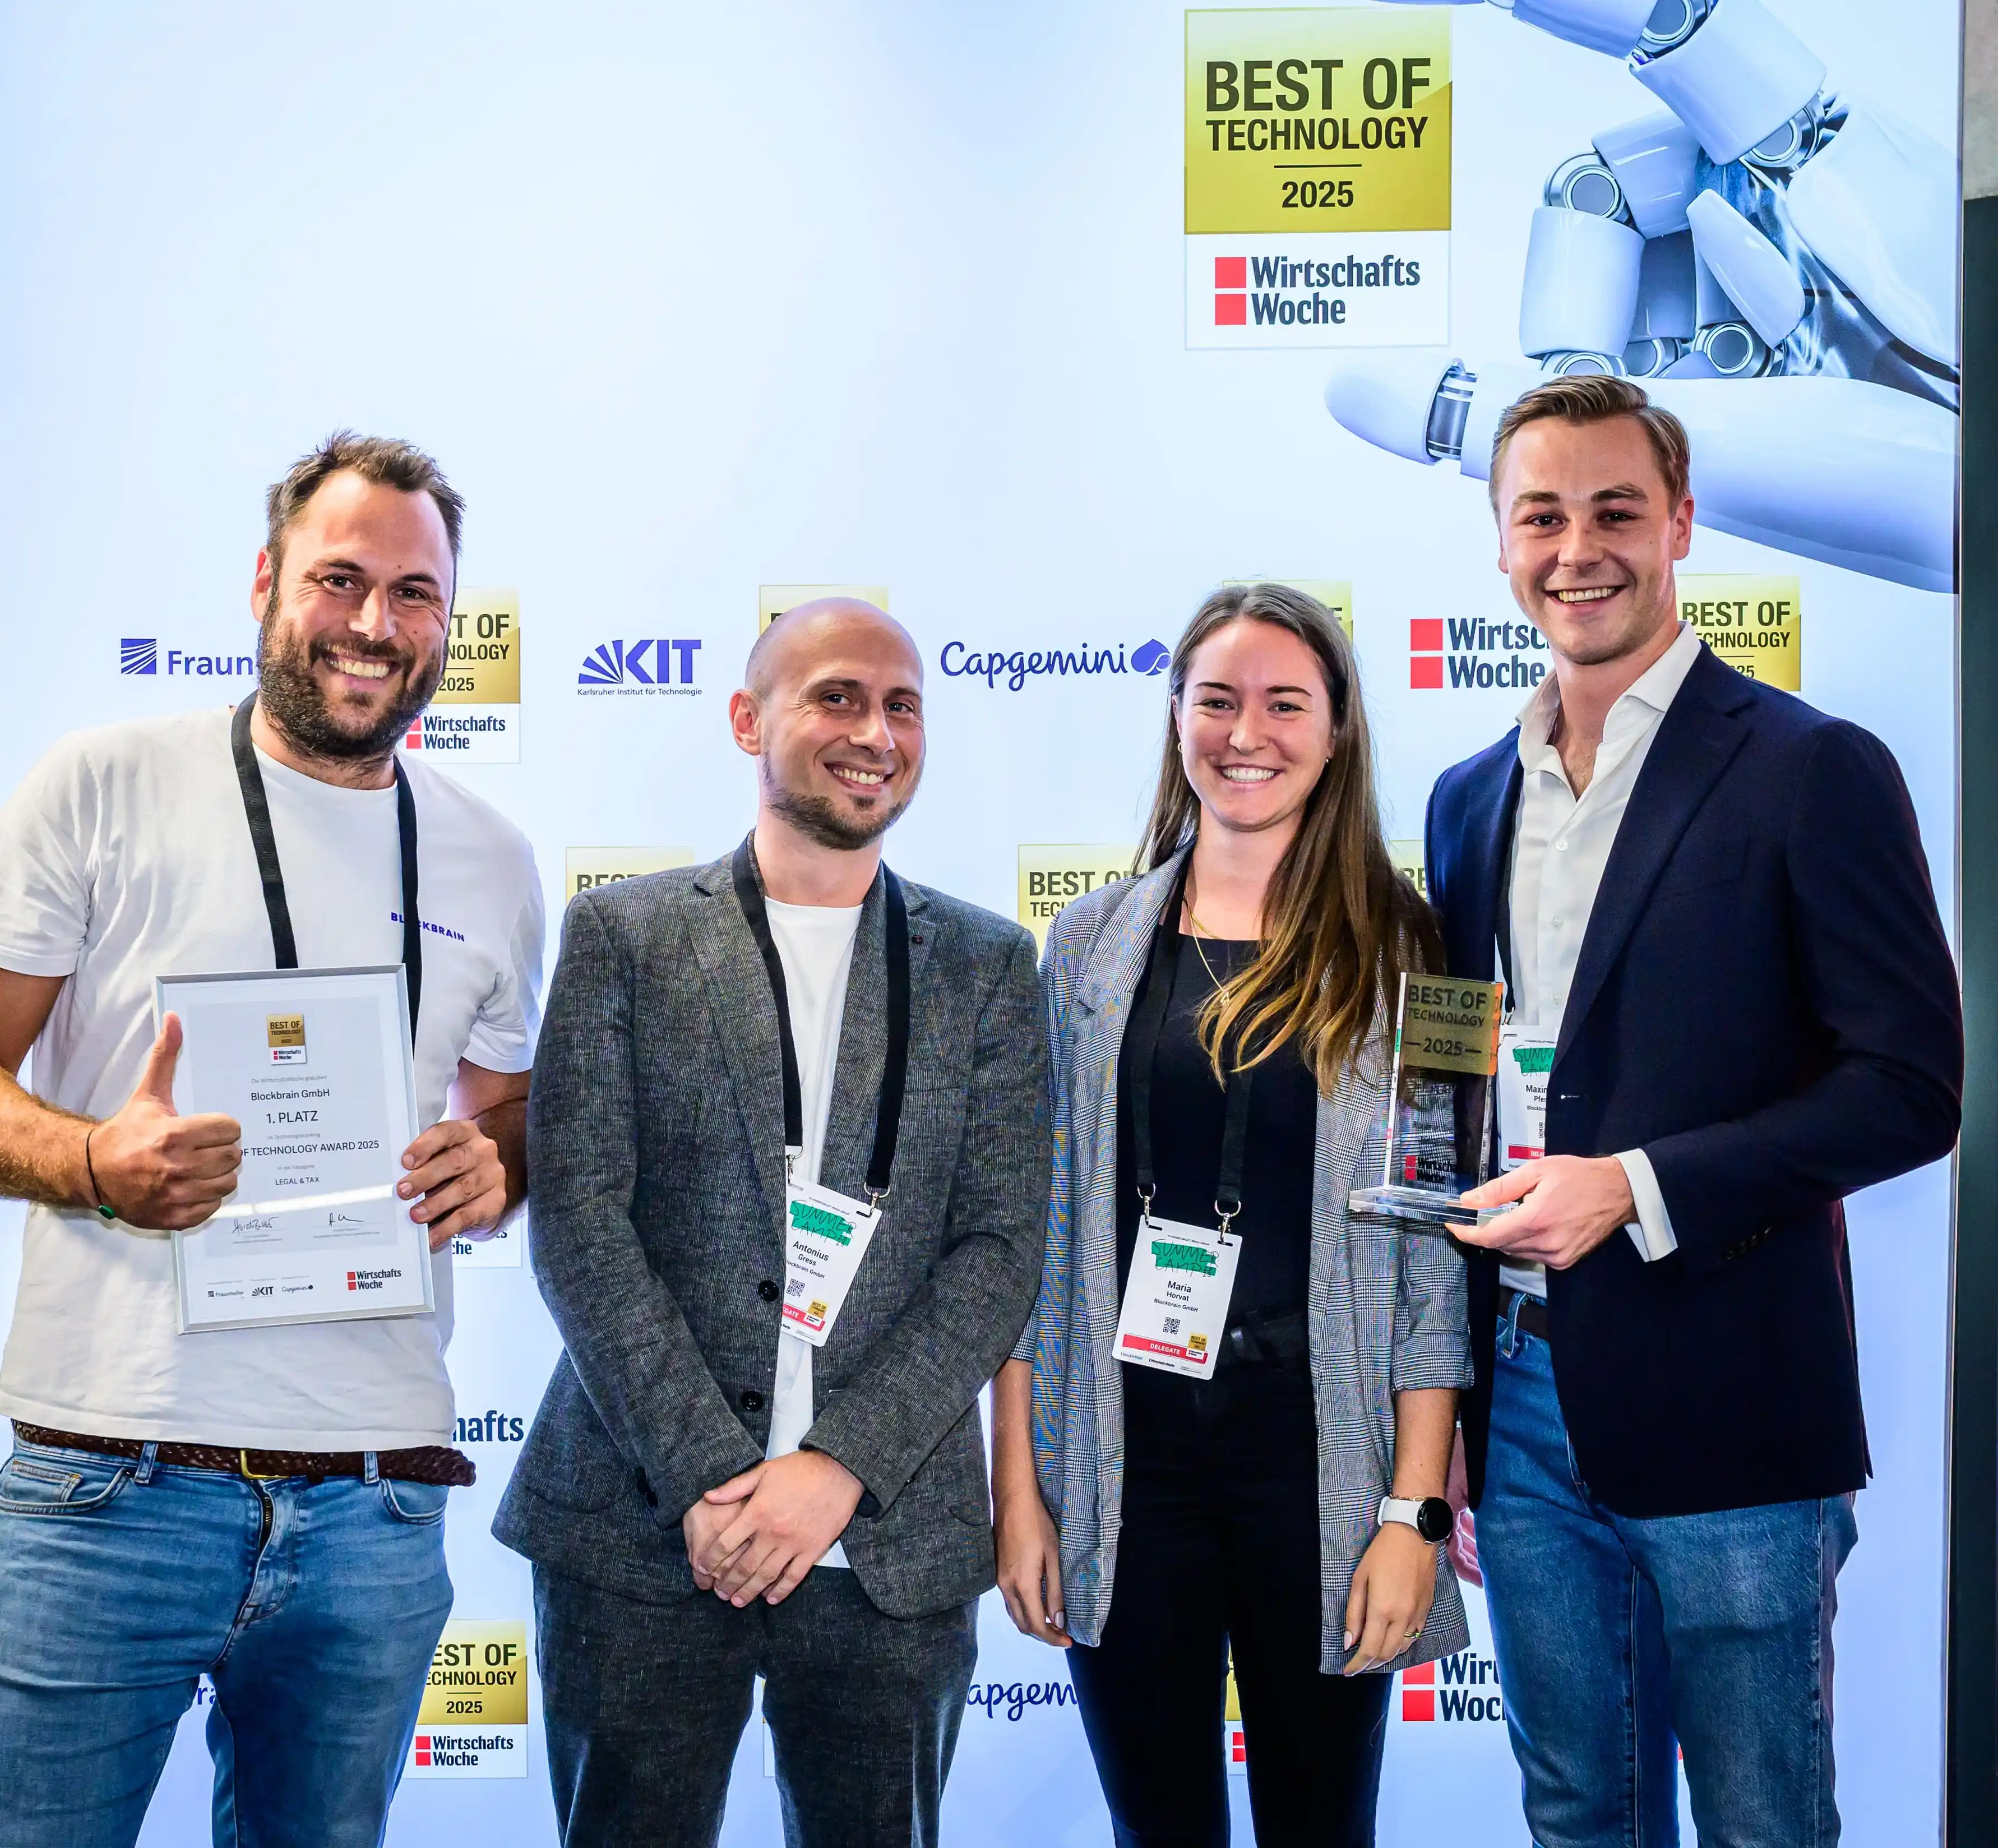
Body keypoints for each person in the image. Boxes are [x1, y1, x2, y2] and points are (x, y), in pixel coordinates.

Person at [0, 434, 545, 1848]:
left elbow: (507, 1112)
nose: (375, 626)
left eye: (416, 594)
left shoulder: (491, 854)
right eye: (340, 579)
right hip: (112, 1486)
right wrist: (88, 1164)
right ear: (266, 583)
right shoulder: (101, 782)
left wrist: (498, 1164)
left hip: (375, 1506)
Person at [1427, 375, 1963, 1848]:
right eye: (1542, 515)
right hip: (1523, 1398)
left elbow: (1912, 1091)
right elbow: (1458, 1082)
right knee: (1575, 1813)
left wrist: (1637, 1186)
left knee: (1762, 1825)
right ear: (1499, 541)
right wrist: (1446, 1404)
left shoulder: (1812, 769)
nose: (1576, 549)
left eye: (1614, 510)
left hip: (1734, 1401)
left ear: (1679, 523)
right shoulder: (1468, 803)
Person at [496, 598, 1046, 1848]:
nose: (876, 731)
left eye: (903, 704)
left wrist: (832, 1471)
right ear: (749, 718)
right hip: (643, 1530)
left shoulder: (986, 964)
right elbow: (579, 1221)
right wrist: (711, 1477)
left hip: (888, 1539)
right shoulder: (624, 937)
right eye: (838, 696)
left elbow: (1001, 1248)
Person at [992, 581, 1473, 1848]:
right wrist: (1021, 1492)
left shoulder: (1417, 953)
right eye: (1216, 698)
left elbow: (1432, 1268)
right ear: (1175, 718)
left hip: (1316, 1470)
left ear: (1335, 731)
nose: (1244, 731)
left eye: (1282, 702)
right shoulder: (1087, 946)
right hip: (1121, 1463)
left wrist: (1410, 1514)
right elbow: (1039, 1232)